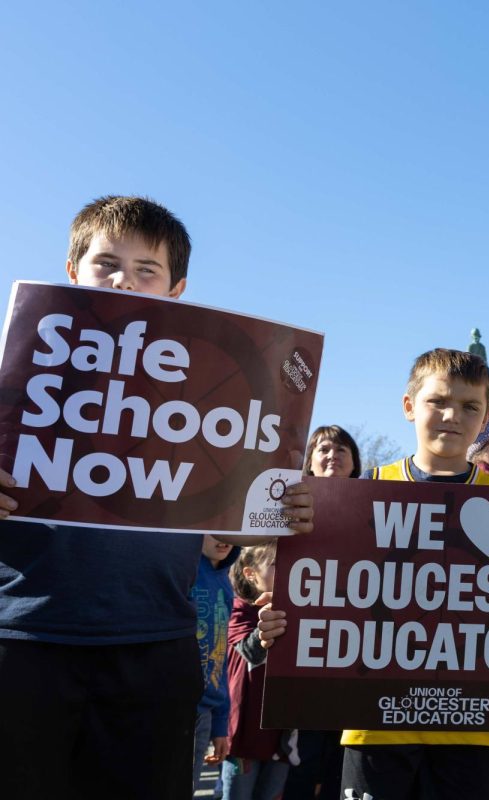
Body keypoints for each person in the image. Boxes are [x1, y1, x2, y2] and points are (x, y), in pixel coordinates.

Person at [0, 196, 314, 800]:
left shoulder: (215, 406)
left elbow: (253, 519)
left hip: (155, 646)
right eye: (106, 263)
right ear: (73, 272)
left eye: (148, 269)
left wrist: (293, 512)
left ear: (177, 290)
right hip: (25, 639)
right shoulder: (18, 371)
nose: (124, 279)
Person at [256, 349, 489, 800]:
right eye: (438, 401)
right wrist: (287, 613)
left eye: (470, 407)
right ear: (409, 407)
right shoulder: (358, 494)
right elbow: (317, 587)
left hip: (474, 729)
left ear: (485, 416)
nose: (452, 416)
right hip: (374, 727)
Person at [282, 425, 362, 800]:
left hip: (358, 655)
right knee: (305, 757)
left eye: (341, 448)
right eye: (324, 449)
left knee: (342, 759)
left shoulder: (378, 505)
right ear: (310, 462)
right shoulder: (288, 506)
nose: (333, 455)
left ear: (355, 460)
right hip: (308, 653)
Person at [224, 542, 291, 800]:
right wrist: (268, 619)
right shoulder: (239, 609)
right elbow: (250, 652)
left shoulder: (297, 608)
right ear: (251, 573)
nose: (285, 569)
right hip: (246, 735)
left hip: (282, 736)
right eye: (274, 564)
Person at [193, 536, 240, 789]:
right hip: (170, 708)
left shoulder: (225, 582)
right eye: (214, 531)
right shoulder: (184, 570)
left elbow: (220, 654)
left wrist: (221, 723)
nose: (224, 539)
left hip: (204, 715)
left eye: (231, 531)